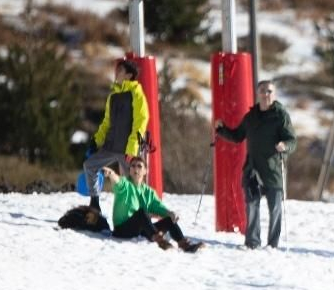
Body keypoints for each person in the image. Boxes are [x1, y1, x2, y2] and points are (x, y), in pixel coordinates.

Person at [215, 79, 296, 249]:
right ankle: (252, 242)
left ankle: (272, 244)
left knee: (275, 208)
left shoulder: (281, 115)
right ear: (257, 94)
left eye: (269, 91)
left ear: (274, 95)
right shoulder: (251, 116)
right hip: (252, 168)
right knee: (251, 205)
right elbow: (238, 136)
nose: (266, 95)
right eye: (263, 91)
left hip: (273, 168)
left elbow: (292, 141)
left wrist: (285, 146)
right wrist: (221, 130)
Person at [83, 59, 148, 211]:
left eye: (120, 70)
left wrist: (132, 148)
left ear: (129, 75)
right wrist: (96, 141)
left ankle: (142, 215)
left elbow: (141, 122)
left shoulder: (137, 94)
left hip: (127, 149)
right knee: (89, 166)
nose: (116, 73)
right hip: (111, 146)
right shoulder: (112, 96)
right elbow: (106, 123)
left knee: (135, 182)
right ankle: (94, 203)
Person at [101, 157, 202, 253]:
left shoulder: (149, 192)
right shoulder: (125, 184)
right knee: (141, 213)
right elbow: (117, 181)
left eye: (139, 166)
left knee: (170, 219)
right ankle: (160, 241)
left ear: (145, 171)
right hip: (122, 230)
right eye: (133, 166)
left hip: (141, 230)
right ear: (130, 170)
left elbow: (158, 207)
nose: (135, 168)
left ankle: (184, 245)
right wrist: (111, 173)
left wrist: (170, 213)